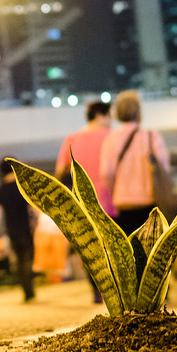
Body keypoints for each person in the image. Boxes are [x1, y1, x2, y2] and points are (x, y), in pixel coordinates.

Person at [55, 99, 113, 302]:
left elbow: (60, 172)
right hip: (112, 202)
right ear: (100, 116)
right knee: (112, 247)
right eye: (109, 116)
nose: (111, 120)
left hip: (83, 204)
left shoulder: (71, 139)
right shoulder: (111, 137)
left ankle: (97, 290)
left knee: (91, 248)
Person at [99, 90, 171, 236]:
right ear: (139, 113)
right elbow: (164, 165)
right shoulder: (152, 136)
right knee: (150, 250)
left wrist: (116, 188)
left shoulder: (111, 139)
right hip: (150, 200)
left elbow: (106, 173)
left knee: (130, 252)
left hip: (124, 202)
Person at [0, 158, 38, 302]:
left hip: (12, 231)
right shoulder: (21, 186)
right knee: (28, 259)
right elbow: (32, 209)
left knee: (18, 261)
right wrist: (36, 223)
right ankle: (30, 290)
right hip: (26, 230)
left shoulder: (1, 189)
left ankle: (26, 291)